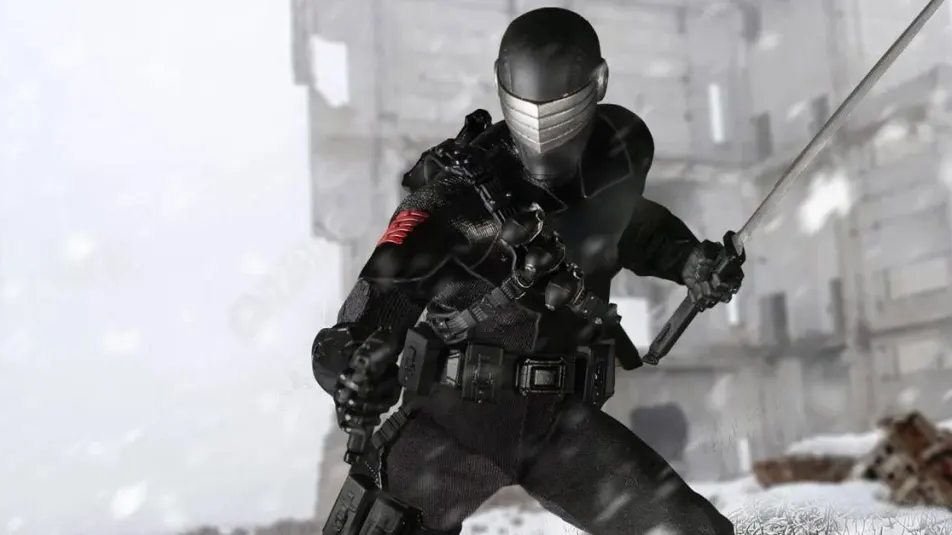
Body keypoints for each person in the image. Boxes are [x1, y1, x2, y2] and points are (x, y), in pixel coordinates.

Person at [311, 7, 743, 535]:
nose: (542, 126)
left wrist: (690, 260)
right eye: (528, 107)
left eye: (560, 105)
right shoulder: (449, 198)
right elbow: (369, 308)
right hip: (455, 421)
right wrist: (349, 369)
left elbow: (626, 227)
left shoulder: (618, 152)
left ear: (598, 84)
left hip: (561, 423)